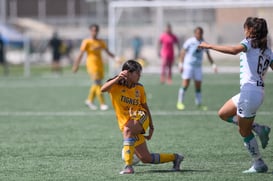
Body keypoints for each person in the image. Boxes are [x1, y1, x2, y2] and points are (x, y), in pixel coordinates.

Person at [199, 17, 272, 173]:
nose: (244, 30)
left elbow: (233, 50)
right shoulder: (267, 50)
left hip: (250, 94)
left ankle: (259, 163)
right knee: (223, 113)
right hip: (253, 92)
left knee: (243, 132)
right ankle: (258, 128)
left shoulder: (249, 43)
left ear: (251, 30)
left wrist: (209, 45)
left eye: (245, 27)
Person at [101, 60, 184, 174]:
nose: (140, 76)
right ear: (128, 73)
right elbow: (102, 89)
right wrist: (117, 78)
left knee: (128, 130)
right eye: (137, 73)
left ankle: (128, 167)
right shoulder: (116, 85)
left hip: (141, 116)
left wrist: (151, 126)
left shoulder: (139, 88)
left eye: (140, 73)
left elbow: (145, 106)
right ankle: (175, 158)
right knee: (145, 158)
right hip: (127, 123)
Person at [73, 24, 115, 111]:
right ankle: (102, 104)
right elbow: (81, 54)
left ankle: (89, 100)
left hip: (100, 65)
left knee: (97, 83)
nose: (94, 32)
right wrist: (76, 65)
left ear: (98, 31)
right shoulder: (87, 42)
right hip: (91, 65)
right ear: (90, 31)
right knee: (98, 83)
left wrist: (116, 58)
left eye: (96, 30)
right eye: (92, 30)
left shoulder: (101, 42)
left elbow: (107, 52)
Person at [177, 27, 217, 111]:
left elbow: (208, 54)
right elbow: (183, 52)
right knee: (185, 84)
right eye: (198, 33)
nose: (199, 35)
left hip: (198, 67)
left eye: (200, 33)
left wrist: (213, 65)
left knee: (198, 85)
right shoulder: (190, 41)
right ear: (195, 33)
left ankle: (199, 104)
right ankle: (180, 102)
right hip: (188, 66)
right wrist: (181, 64)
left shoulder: (204, 43)